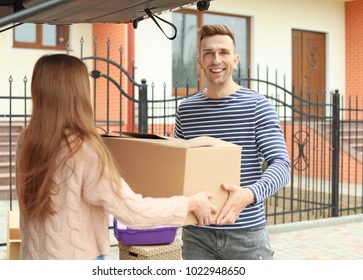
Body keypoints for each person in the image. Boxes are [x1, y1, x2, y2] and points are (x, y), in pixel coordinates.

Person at [15, 54, 217, 260]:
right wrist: (189, 203)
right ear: (79, 91)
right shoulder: (83, 148)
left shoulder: (27, 139)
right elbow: (134, 212)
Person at [174, 24, 291, 260]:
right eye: (208, 53)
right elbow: (178, 169)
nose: (216, 59)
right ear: (200, 60)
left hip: (246, 237)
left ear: (235, 59)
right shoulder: (186, 110)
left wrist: (249, 194)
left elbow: (281, 165)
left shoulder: (258, 106)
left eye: (223, 52)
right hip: (197, 237)